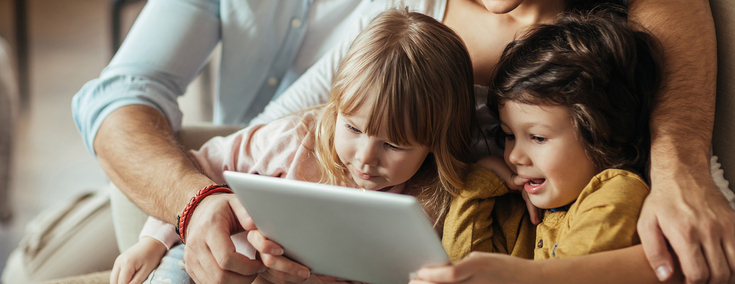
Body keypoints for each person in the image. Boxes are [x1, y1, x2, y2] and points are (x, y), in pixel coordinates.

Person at [7, 0, 719, 283]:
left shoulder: (588, 48)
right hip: (229, 179)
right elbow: (265, 136)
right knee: (48, 269)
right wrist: (202, 208)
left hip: (374, 220)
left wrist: (678, 158)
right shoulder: (408, 15)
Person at [109, 8, 477, 284]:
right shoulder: (294, 138)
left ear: (434, 144)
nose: (365, 158)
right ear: (336, 108)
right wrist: (152, 242)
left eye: (394, 145)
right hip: (230, 262)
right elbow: (204, 162)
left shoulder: (433, 202)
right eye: (352, 127)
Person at [440, 7, 661, 265]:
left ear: (602, 133)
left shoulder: (618, 192)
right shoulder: (520, 211)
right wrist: (480, 179)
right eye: (509, 135)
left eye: (538, 138)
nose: (514, 156)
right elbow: (461, 264)